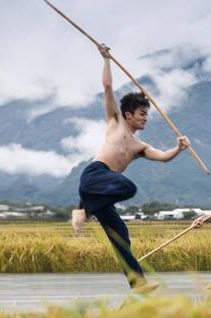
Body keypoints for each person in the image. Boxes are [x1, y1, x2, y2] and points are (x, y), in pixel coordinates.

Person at [74, 43, 191, 293]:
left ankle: (137, 284)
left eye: (147, 115)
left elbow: (162, 157)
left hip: (103, 192)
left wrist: (179, 148)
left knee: (122, 236)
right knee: (128, 186)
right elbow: (107, 88)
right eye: (141, 114)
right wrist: (105, 59)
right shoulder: (115, 122)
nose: (145, 118)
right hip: (95, 176)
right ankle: (84, 211)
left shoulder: (140, 146)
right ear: (128, 115)